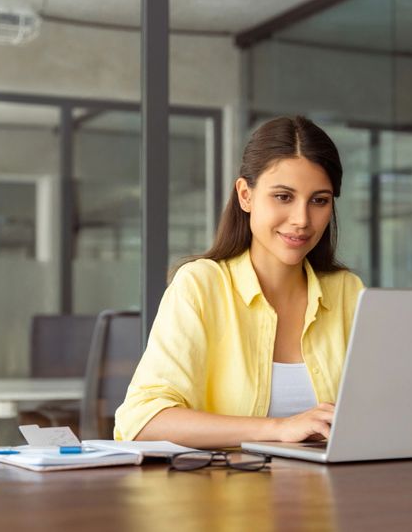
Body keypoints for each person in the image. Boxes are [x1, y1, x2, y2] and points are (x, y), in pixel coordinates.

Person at [114, 116, 364, 448]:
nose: (302, 220)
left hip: (336, 494)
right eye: (283, 197)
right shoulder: (201, 286)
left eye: (319, 201)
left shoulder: (348, 292)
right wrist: (277, 428)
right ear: (246, 195)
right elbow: (141, 421)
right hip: (227, 494)